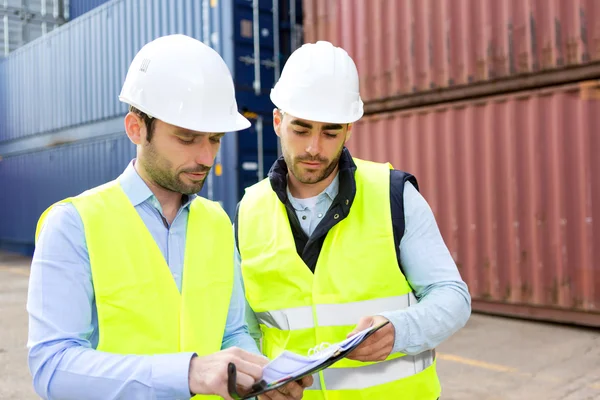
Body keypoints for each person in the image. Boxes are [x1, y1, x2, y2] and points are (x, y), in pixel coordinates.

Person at [27, 34, 310, 400]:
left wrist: (261, 377)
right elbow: (52, 367)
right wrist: (188, 373)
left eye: (215, 139)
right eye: (188, 138)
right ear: (136, 129)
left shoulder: (217, 222)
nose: (207, 157)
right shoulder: (73, 224)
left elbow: (234, 332)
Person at [235, 41, 472, 399]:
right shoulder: (248, 210)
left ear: (349, 130)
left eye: (330, 132)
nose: (315, 147)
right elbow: (246, 327)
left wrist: (400, 330)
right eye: (301, 130)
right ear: (277, 122)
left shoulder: (394, 195)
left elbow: (453, 297)